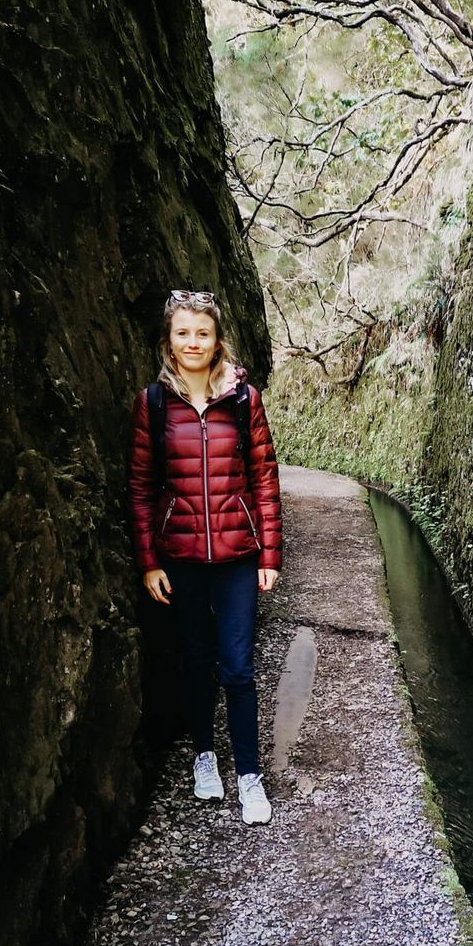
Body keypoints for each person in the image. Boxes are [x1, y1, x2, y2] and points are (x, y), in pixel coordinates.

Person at [128, 289, 282, 826]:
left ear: (218, 340)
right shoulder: (153, 403)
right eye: (182, 333)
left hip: (238, 556)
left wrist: (269, 554)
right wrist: (150, 560)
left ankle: (249, 776)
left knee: (238, 669)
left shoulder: (244, 400)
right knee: (195, 665)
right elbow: (142, 486)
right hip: (182, 558)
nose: (193, 342)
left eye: (203, 333)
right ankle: (204, 759)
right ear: (169, 340)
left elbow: (265, 479)